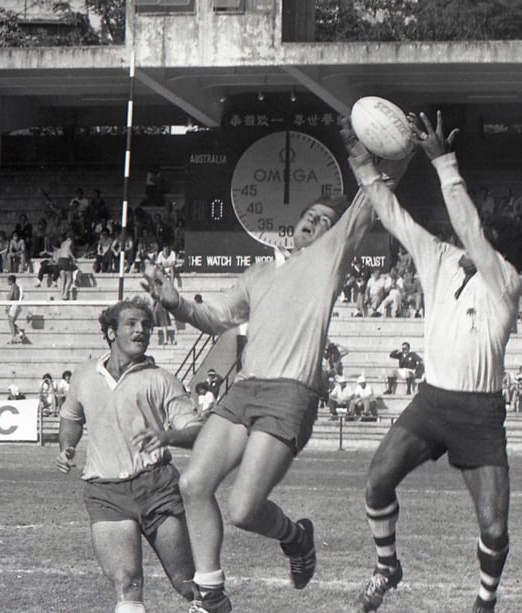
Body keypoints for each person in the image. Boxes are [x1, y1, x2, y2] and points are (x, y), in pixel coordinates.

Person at [142, 124, 411, 613]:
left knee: (244, 509)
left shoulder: (330, 258)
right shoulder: (259, 273)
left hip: (290, 393)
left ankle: (295, 537)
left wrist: (395, 151)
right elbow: (216, 317)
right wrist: (175, 302)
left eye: (324, 221)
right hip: (244, 390)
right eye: (308, 217)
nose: (312, 224)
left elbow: (376, 195)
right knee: (193, 484)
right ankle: (211, 595)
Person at [347, 111, 522, 612]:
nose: (476, 237)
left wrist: (444, 163)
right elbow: (393, 216)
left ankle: (484, 601)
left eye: (487, 236)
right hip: (431, 401)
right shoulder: (440, 259)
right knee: (376, 480)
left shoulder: (506, 284)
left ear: (502, 253)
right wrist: (363, 166)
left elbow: (470, 228)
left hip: (479, 412)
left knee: (494, 527)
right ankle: (387, 566)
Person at [54, 297, 202, 613]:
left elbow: (196, 432)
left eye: (146, 325)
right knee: (127, 582)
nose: (141, 331)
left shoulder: (163, 380)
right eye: (132, 324)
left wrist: (166, 435)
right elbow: (71, 418)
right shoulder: (84, 374)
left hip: (157, 487)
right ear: (111, 333)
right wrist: (67, 446)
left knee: (187, 581)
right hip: (105, 491)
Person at [5, 275, 26, 344]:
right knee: (12, 322)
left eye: (8, 280)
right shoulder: (17, 287)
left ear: (11, 281)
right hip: (17, 306)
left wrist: (7, 306)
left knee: (10, 322)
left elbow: (11, 297)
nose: (7, 282)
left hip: (14, 305)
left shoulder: (13, 287)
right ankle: (20, 332)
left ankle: (14, 337)